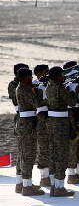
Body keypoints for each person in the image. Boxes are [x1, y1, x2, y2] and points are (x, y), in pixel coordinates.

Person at [46, 66, 76, 196]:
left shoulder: (49, 87)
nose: (63, 77)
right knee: (62, 154)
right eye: (61, 75)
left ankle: (54, 185)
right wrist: (72, 91)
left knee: (53, 153)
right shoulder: (60, 88)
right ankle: (59, 188)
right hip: (60, 124)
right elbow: (72, 103)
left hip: (51, 122)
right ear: (58, 76)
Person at [15, 68, 45, 196]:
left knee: (24, 154)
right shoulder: (25, 89)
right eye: (29, 77)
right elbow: (37, 103)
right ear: (24, 78)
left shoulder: (22, 87)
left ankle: (22, 183)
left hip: (25, 123)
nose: (31, 79)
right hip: (27, 125)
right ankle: (27, 186)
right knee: (28, 155)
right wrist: (40, 91)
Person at [63, 61, 79, 185]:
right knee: (72, 144)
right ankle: (71, 174)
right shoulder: (65, 84)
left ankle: (78, 173)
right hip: (70, 113)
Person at [8, 63, 29, 193]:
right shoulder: (13, 85)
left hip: (26, 117)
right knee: (23, 151)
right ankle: (20, 183)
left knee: (24, 151)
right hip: (21, 118)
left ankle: (22, 182)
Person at [33, 64, 51, 187]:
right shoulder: (34, 84)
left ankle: (52, 175)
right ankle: (44, 177)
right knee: (43, 147)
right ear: (39, 73)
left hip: (51, 117)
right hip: (40, 118)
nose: (48, 74)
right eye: (46, 72)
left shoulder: (48, 82)